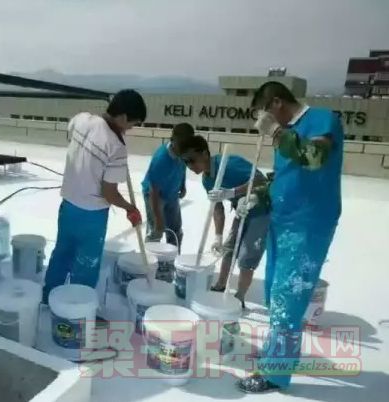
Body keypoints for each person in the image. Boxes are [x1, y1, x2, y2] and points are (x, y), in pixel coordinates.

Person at [237, 82, 343, 393]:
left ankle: (275, 374)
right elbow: (285, 178)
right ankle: (274, 353)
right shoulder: (287, 135)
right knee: (275, 295)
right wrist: (258, 196)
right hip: (281, 222)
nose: (263, 122)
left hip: (307, 225)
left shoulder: (321, 120)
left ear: (276, 103)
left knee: (288, 299)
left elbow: (314, 158)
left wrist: (275, 132)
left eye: (263, 114)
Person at [42, 89, 147, 303]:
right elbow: (109, 193)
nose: (130, 129)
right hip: (92, 215)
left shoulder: (81, 119)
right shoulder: (116, 146)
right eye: (132, 124)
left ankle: (49, 299)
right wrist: (129, 207)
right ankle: (78, 309)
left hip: (68, 206)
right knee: (86, 264)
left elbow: (70, 136)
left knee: (62, 254)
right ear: (123, 117)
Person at [179, 135, 271, 308]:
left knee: (247, 255)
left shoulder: (229, 164)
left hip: (261, 210)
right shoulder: (207, 179)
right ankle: (221, 285)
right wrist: (218, 236)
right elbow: (217, 208)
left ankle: (240, 297)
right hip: (242, 210)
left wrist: (233, 192)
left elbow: (261, 181)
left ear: (204, 153)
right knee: (228, 249)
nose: (190, 166)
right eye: (185, 162)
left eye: (192, 160)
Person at [141, 123, 194, 249]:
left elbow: (183, 167)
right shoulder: (161, 159)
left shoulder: (184, 152)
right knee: (157, 230)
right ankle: (151, 258)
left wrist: (183, 185)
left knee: (175, 231)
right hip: (155, 195)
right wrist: (158, 218)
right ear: (173, 140)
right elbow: (153, 192)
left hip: (172, 194)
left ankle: (172, 257)